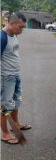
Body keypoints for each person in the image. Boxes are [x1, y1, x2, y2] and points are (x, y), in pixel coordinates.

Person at [0, 12, 31, 145]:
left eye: (23, 27)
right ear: (11, 23)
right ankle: (5, 133)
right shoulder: (2, 37)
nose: (22, 30)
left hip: (15, 75)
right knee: (6, 106)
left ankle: (16, 124)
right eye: (20, 27)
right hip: (6, 77)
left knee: (16, 101)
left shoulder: (13, 34)